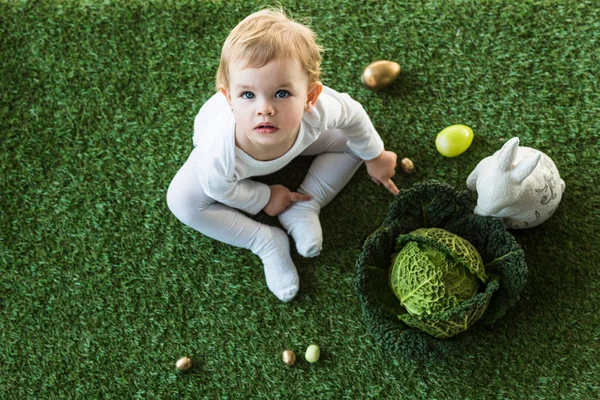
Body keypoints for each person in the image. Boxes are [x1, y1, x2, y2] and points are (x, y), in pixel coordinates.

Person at [167, 8, 399, 302]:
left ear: (309, 97)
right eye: (247, 95)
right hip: (233, 171)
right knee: (182, 202)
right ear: (228, 99)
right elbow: (219, 188)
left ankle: (306, 204)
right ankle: (264, 241)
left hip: (296, 141)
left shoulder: (319, 109)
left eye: (281, 93)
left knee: (354, 145)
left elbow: (353, 115)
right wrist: (264, 197)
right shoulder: (218, 154)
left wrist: (375, 156)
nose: (264, 108)